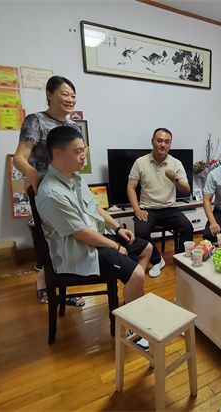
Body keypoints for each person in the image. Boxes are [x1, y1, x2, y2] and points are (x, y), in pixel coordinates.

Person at [36, 126, 152, 349]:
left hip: (96, 237)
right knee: (137, 274)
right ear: (58, 153)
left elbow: (96, 208)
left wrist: (117, 229)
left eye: (84, 150)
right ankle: (133, 328)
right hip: (78, 250)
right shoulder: (51, 193)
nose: (84, 156)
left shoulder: (75, 178)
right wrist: (115, 246)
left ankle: (130, 303)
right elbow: (81, 233)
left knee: (146, 249)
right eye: (78, 151)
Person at [13, 76, 83, 305]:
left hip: (67, 189)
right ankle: (45, 284)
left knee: (69, 238)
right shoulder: (36, 121)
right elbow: (19, 157)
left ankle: (63, 286)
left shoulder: (72, 127)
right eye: (64, 94)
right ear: (49, 95)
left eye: (73, 95)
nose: (70, 99)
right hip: (44, 191)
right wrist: (31, 172)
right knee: (50, 240)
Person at [127, 128, 193, 278]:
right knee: (141, 232)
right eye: (159, 140)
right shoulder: (140, 162)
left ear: (170, 145)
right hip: (147, 209)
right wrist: (136, 209)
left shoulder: (176, 163)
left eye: (167, 142)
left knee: (187, 227)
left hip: (170, 209)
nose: (163, 144)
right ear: (152, 141)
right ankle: (157, 260)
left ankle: (181, 259)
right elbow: (131, 187)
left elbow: (186, 190)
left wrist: (175, 179)